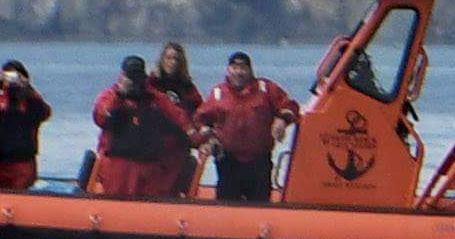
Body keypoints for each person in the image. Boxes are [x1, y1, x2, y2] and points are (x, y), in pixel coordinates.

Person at [194, 51, 301, 202]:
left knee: (260, 204)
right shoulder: (218, 93)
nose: (238, 72)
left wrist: (282, 120)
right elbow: (200, 119)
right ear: (228, 70)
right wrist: (209, 138)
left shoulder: (265, 89)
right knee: (226, 206)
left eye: (243, 68)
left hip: (259, 162)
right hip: (228, 162)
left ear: (250, 70)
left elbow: (290, 106)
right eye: (234, 68)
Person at [90, 54, 195, 197]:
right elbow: (100, 117)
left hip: (149, 168)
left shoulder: (157, 100)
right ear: (123, 76)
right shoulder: (110, 96)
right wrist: (119, 95)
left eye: (137, 78)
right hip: (116, 165)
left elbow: (183, 122)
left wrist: (199, 138)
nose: (134, 83)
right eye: (130, 78)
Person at [0, 59, 51, 189]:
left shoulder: (30, 102)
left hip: (23, 162)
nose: (11, 80)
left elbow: (45, 112)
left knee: (21, 194)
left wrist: (27, 88)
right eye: (7, 76)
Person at [152, 40, 203, 194]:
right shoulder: (151, 84)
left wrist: (202, 134)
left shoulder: (188, 88)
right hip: (155, 149)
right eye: (169, 58)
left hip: (179, 150)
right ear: (162, 60)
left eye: (176, 59)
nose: (172, 62)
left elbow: (201, 113)